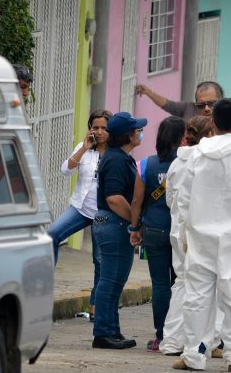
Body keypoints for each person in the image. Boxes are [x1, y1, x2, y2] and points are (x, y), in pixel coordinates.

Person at [173, 99, 231, 373]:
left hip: (201, 236)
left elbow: (184, 199)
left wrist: (183, 235)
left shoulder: (198, 155)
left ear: (212, 123)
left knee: (197, 297)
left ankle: (193, 355)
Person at [48, 109, 112, 322]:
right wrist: (84, 148)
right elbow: (66, 170)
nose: (100, 131)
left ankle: (95, 306)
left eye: (104, 127)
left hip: (102, 213)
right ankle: (44, 291)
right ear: (90, 129)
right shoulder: (84, 148)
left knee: (100, 260)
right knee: (52, 235)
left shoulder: (115, 153)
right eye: (96, 127)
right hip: (79, 208)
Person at [129, 116, 186, 352]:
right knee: (181, 283)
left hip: (153, 230)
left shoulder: (145, 165)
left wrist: (135, 228)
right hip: (180, 232)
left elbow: (136, 201)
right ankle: (180, 335)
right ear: (182, 137)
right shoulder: (187, 163)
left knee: (160, 285)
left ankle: (161, 336)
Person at [91, 112, 147, 350]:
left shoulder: (120, 157)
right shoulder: (115, 160)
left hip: (114, 223)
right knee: (110, 279)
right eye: (137, 129)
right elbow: (114, 198)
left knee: (115, 280)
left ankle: (112, 330)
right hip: (113, 222)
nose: (140, 132)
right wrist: (135, 222)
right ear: (128, 134)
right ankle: (103, 332)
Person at [159, 116, 214, 356]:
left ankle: (171, 340)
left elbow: (170, 199)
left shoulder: (176, 163)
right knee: (204, 287)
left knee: (181, 283)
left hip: (177, 230)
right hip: (200, 231)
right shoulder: (207, 161)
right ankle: (201, 342)